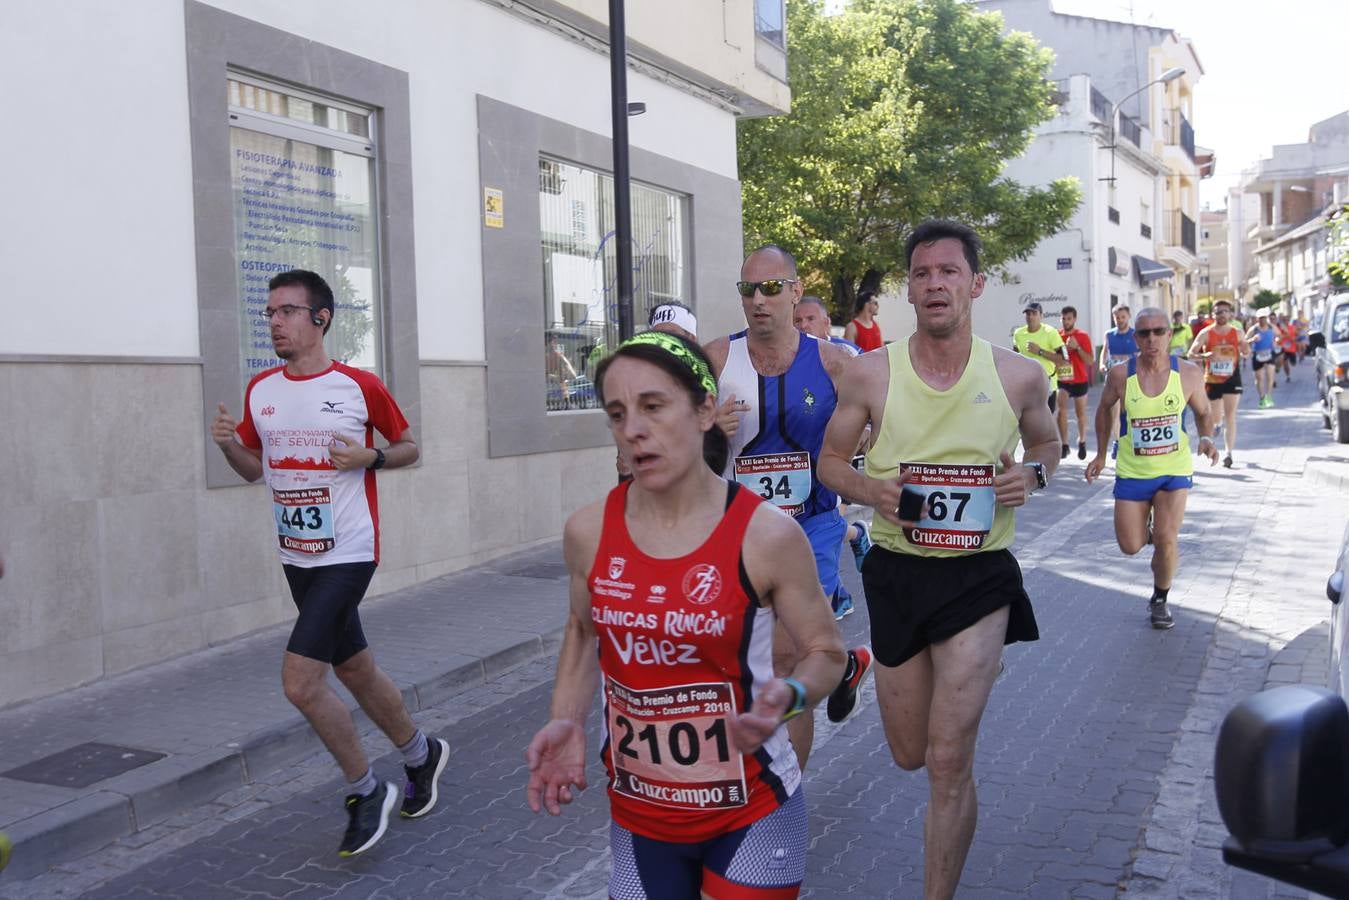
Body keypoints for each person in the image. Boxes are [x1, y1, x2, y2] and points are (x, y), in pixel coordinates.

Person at [525, 331, 846, 899]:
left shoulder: (767, 535)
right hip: (639, 817)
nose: (633, 430)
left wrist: (790, 696)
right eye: (618, 414)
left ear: (704, 411)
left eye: (653, 406)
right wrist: (568, 719)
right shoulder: (588, 531)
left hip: (753, 810)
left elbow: (826, 651)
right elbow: (582, 630)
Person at [817, 219, 1059, 900]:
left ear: (974, 284)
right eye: (921, 273)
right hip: (896, 573)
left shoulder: (1017, 376)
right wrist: (872, 489)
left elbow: (1047, 448)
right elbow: (829, 463)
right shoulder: (870, 373)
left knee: (948, 761)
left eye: (948, 272)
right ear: (908, 288)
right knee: (909, 753)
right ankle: (904, 671)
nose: (934, 284)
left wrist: (1031, 478)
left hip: (978, 577)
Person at [211, 270, 447, 857]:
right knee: (356, 670)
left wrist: (371, 457)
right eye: (268, 313)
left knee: (300, 682)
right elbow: (253, 469)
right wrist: (226, 444)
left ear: (321, 319)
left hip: (349, 551)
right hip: (297, 555)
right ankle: (423, 754)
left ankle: (364, 790)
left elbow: (411, 446)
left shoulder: (358, 386)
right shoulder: (261, 390)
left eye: (287, 312)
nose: (275, 323)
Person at [706, 247, 869, 767]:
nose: (759, 300)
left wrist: (866, 443)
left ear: (796, 292)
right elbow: (679, 440)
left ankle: (786, 790)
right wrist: (706, 428)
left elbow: (879, 429)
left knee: (786, 655)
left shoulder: (835, 361)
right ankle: (841, 666)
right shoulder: (714, 360)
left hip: (812, 524)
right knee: (744, 658)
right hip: (739, 530)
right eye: (748, 290)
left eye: (772, 288)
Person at [1086, 308, 1219, 628]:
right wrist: (1101, 455)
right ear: (1136, 338)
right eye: (1144, 333)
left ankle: (1160, 598)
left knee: (1167, 537)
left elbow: (1203, 411)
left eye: (1158, 331)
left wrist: (1206, 437)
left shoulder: (1187, 373)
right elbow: (1103, 411)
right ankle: (1152, 532)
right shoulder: (1120, 375)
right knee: (1130, 545)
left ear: (1169, 335)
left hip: (1173, 469)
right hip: (1133, 470)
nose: (1152, 339)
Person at [793, 295, 874, 618]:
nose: (802, 326)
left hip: (837, 453)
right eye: (797, 321)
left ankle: (835, 594)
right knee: (816, 527)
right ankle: (856, 536)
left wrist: (865, 431)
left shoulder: (845, 355)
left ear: (827, 323)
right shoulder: (790, 356)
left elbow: (874, 394)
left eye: (809, 319)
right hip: (798, 457)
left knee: (825, 520)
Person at [1187, 299, 1247, 468]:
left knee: (1231, 416)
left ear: (1230, 314)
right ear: (1212, 315)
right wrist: (1204, 356)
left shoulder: (1238, 333)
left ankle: (1229, 453)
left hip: (1232, 378)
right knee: (1215, 417)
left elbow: (1246, 350)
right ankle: (1217, 424)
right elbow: (1191, 353)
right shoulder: (1206, 333)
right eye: (1218, 312)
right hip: (1212, 380)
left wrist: (1247, 348)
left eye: (1225, 311)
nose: (1222, 314)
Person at [1012, 302, 1069, 414]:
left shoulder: (1050, 332)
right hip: (1026, 385)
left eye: (1034, 313)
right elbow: (1015, 358)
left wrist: (1039, 351)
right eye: (1028, 313)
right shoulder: (1018, 333)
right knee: (1027, 421)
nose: (1030, 316)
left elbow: (1064, 360)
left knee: (1045, 423)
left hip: (1046, 385)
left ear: (1041, 316)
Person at [1055, 305, 1094, 460]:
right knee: (1061, 411)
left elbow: (1090, 360)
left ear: (1074, 319)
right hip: (1063, 380)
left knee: (1080, 414)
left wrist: (1077, 347)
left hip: (1079, 379)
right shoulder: (1056, 336)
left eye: (1068, 318)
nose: (1065, 321)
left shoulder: (1082, 336)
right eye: (1063, 318)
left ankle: (1082, 440)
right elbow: (1054, 358)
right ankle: (1064, 445)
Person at [1099, 305, 1137, 457]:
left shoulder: (1135, 335)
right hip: (1113, 379)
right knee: (1114, 412)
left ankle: (1132, 441)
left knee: (1129, 412)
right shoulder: (1109, 334)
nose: (1120, 320)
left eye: (1123, 317)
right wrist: (1102, 364)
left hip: (1132, 379)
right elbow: (1105, 350)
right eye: (1117, 317)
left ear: (1128, 316)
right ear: (1113, 318)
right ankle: (1118, 441)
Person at [1245, 309, 1279, 408]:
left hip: (1269, 353)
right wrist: (1252, 339)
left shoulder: (1271, 327)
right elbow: (1245, 341)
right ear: (1257, 319)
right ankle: (1262, 397)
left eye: (1264, 318)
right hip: (1257, 354)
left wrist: (1276, 340)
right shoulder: (1253, 329)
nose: (1262, 320)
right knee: (1259, 378)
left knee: (1270, 376)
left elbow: (1279, 335)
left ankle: (1269, 396)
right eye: (1260, 318)